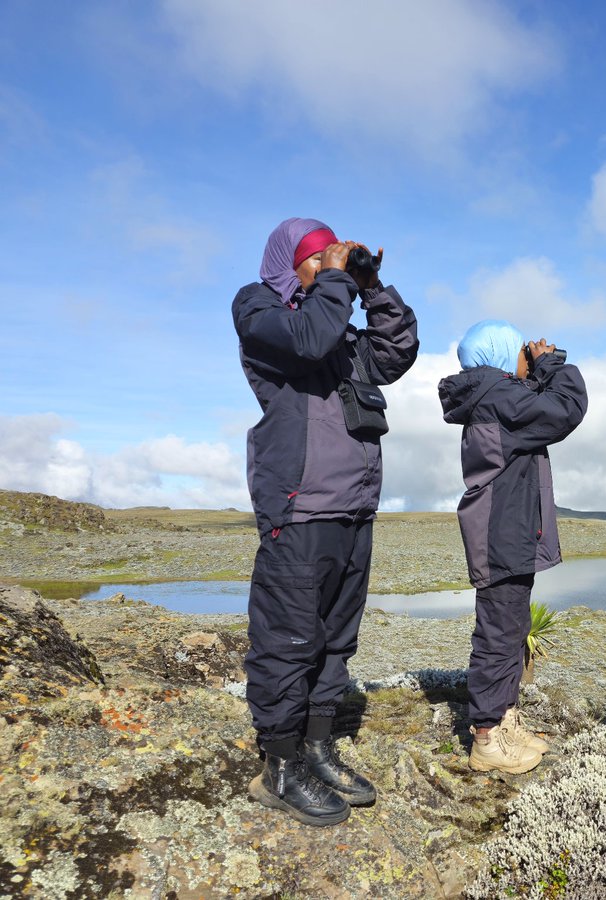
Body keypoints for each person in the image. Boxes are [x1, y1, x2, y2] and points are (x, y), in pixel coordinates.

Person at [232, 217, 419, 826]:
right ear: (292, 265)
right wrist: (336, 279)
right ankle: (279, 765)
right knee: (287, 641)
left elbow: (396, 352)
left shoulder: (341, 329)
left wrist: (372, 286)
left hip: (353, 508)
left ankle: (316, 745)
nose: (327, 268)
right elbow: (308, 339)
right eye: (317, 259)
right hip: (299, 506)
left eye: (332, 260)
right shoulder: (260, 309)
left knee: (336, 639)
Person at [438, 320, 587, 774]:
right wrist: (551, 363)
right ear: (502, 355)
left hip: (509, 529)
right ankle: (486, 738)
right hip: (501, 532)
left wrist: (536, 369)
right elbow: (565, 409)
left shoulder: (495, 395)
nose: (528, 354)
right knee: (498, 634)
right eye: (520, 349)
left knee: (510, 628)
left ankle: (504, 722)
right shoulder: (499, 397)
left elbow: (539, 410)